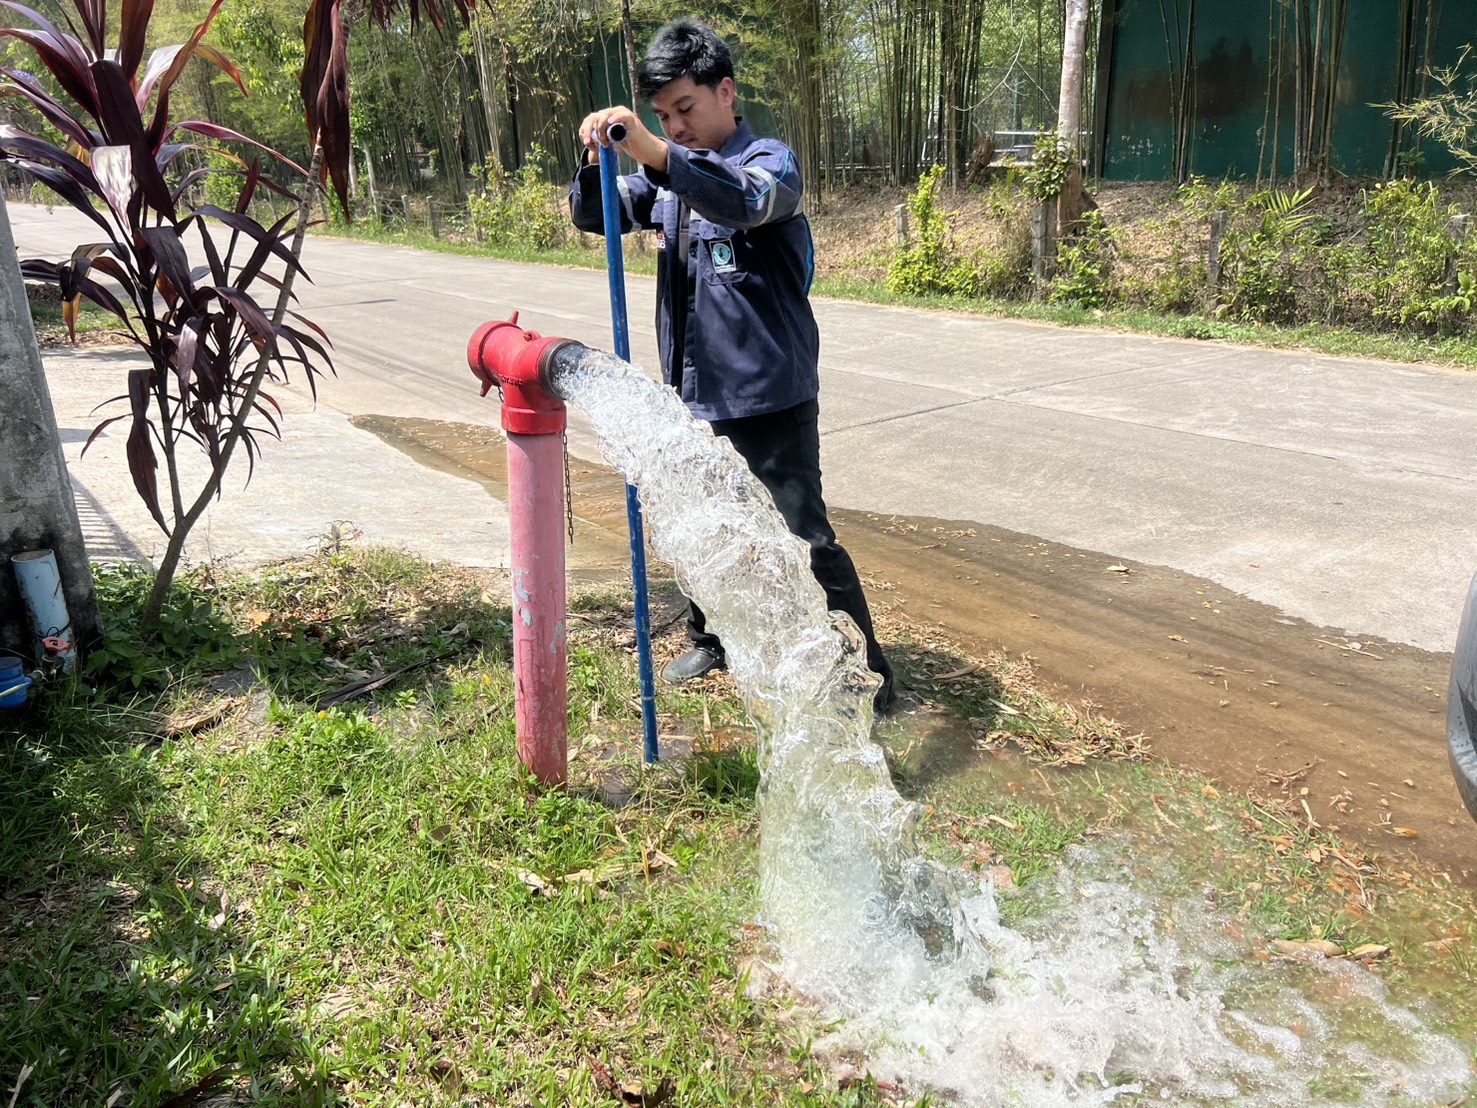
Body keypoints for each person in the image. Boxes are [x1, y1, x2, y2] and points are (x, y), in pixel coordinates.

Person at [569, 17, 894, 713]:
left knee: (804, 540)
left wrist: (655, 151)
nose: (675, 127)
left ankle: (866, 673)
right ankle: (713, 638)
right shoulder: (663, 187)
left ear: (726, 91)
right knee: (699, 524)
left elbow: (745, 204)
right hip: (692, 396)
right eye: (662, 117)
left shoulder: (770, 163)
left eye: (684, 109)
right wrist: (595, 154)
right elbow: (595, 215)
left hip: (769, 397)